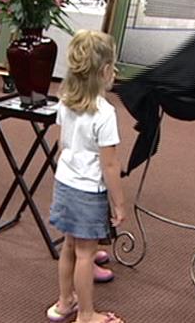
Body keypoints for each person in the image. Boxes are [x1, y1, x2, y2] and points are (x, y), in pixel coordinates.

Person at [46, 30, 126, 323]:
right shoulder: (105, 113)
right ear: (105, 72)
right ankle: (87, 315)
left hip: (65, 184)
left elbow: (61, 143)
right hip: (87, 192)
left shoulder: (65, 100)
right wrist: (119, 204)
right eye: (113, 66)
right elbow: (110, 166)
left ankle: (64, 302)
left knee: (69, 246)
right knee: (85, 254)